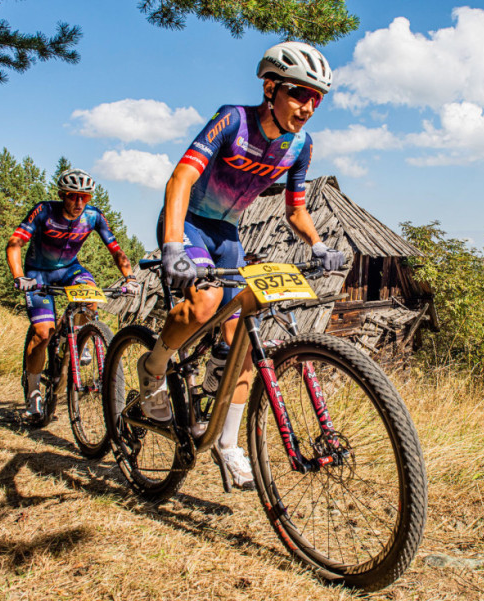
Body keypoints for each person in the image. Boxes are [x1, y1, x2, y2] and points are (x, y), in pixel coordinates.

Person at [139, 41, 345, 489]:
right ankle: (152, 369)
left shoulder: (300, 145)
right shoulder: (233, 119)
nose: (308, 106)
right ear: (270, 87)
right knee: (205, 304)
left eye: (317, 98)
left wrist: (318, 244)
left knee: (243, 345)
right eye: (298, 93)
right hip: (189, 222)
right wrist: (173, 245)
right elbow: (181, 177)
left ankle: (227, 444)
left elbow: (296, 210)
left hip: (227, 233)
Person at [6, 168, 140, 419]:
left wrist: (130, 278)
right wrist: (18, 276)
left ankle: (80, 338)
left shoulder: (93, 216)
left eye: (85, 197)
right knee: (42, 333)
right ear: (61, 195)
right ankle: (33, 392)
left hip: (70, 269)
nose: (79, 203)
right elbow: (15, 243)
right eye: (72, 196)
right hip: (38, 273)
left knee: (92, 297)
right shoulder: (44, 211)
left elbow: (116, 250)